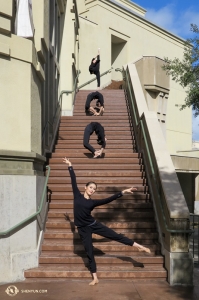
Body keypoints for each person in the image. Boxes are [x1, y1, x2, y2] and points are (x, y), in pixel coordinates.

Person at [62, 158, 151, 286]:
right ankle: (95, 278)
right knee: (89, 251)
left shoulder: (92, 202)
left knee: (115, 236)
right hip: (83, 229)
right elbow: (73, 181)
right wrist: (70, 166)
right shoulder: (77, 195)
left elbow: (108, 199)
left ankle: (140, 247)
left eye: (94, 189)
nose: (92, 190)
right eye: (91, 187)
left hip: (93, 225)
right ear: (85, 187)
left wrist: (122, 192)